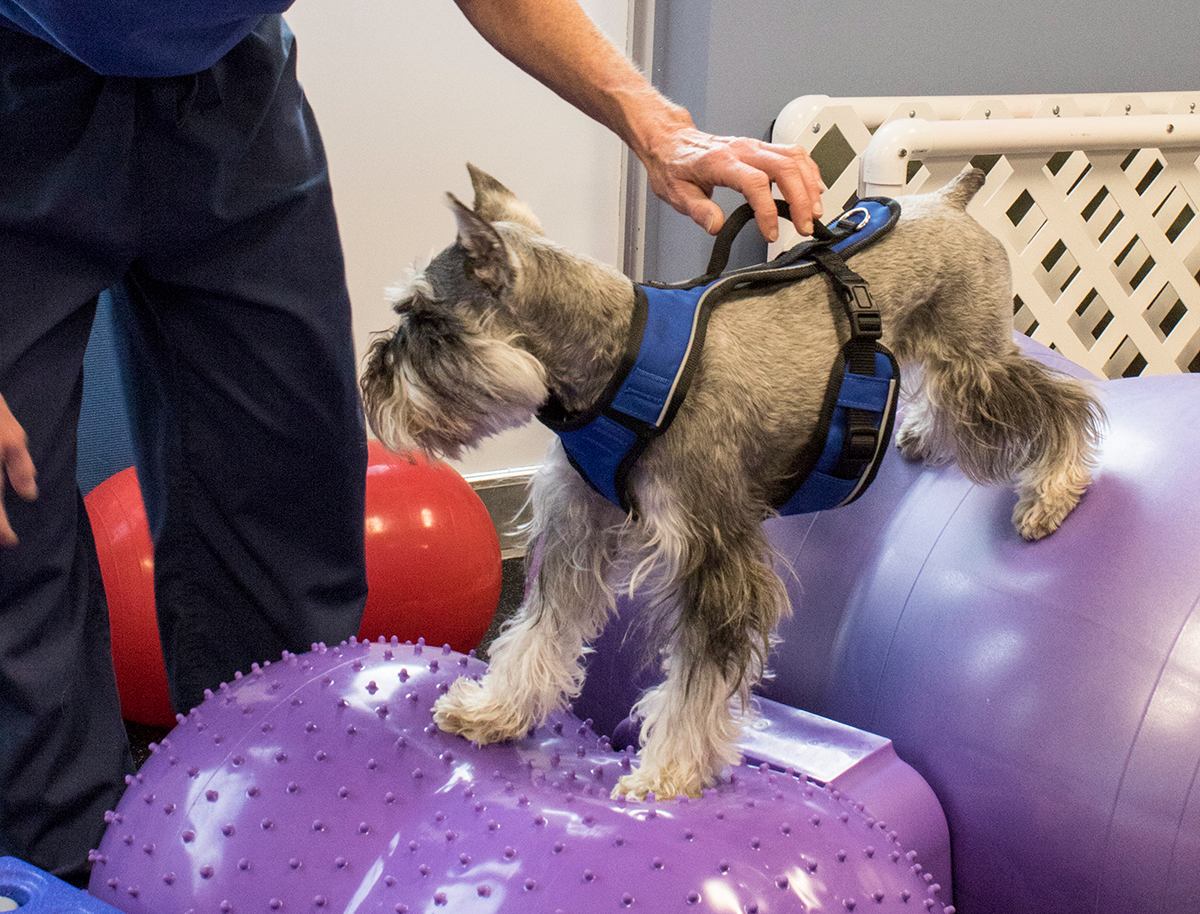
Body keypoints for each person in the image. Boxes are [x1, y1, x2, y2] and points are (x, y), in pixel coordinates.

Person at [0, 0, 825, 885]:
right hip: (18, 79)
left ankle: (275, 837)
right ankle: (58, 875)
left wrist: (657, 122)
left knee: (288, 491)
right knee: (13, 534)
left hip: (226, 87)